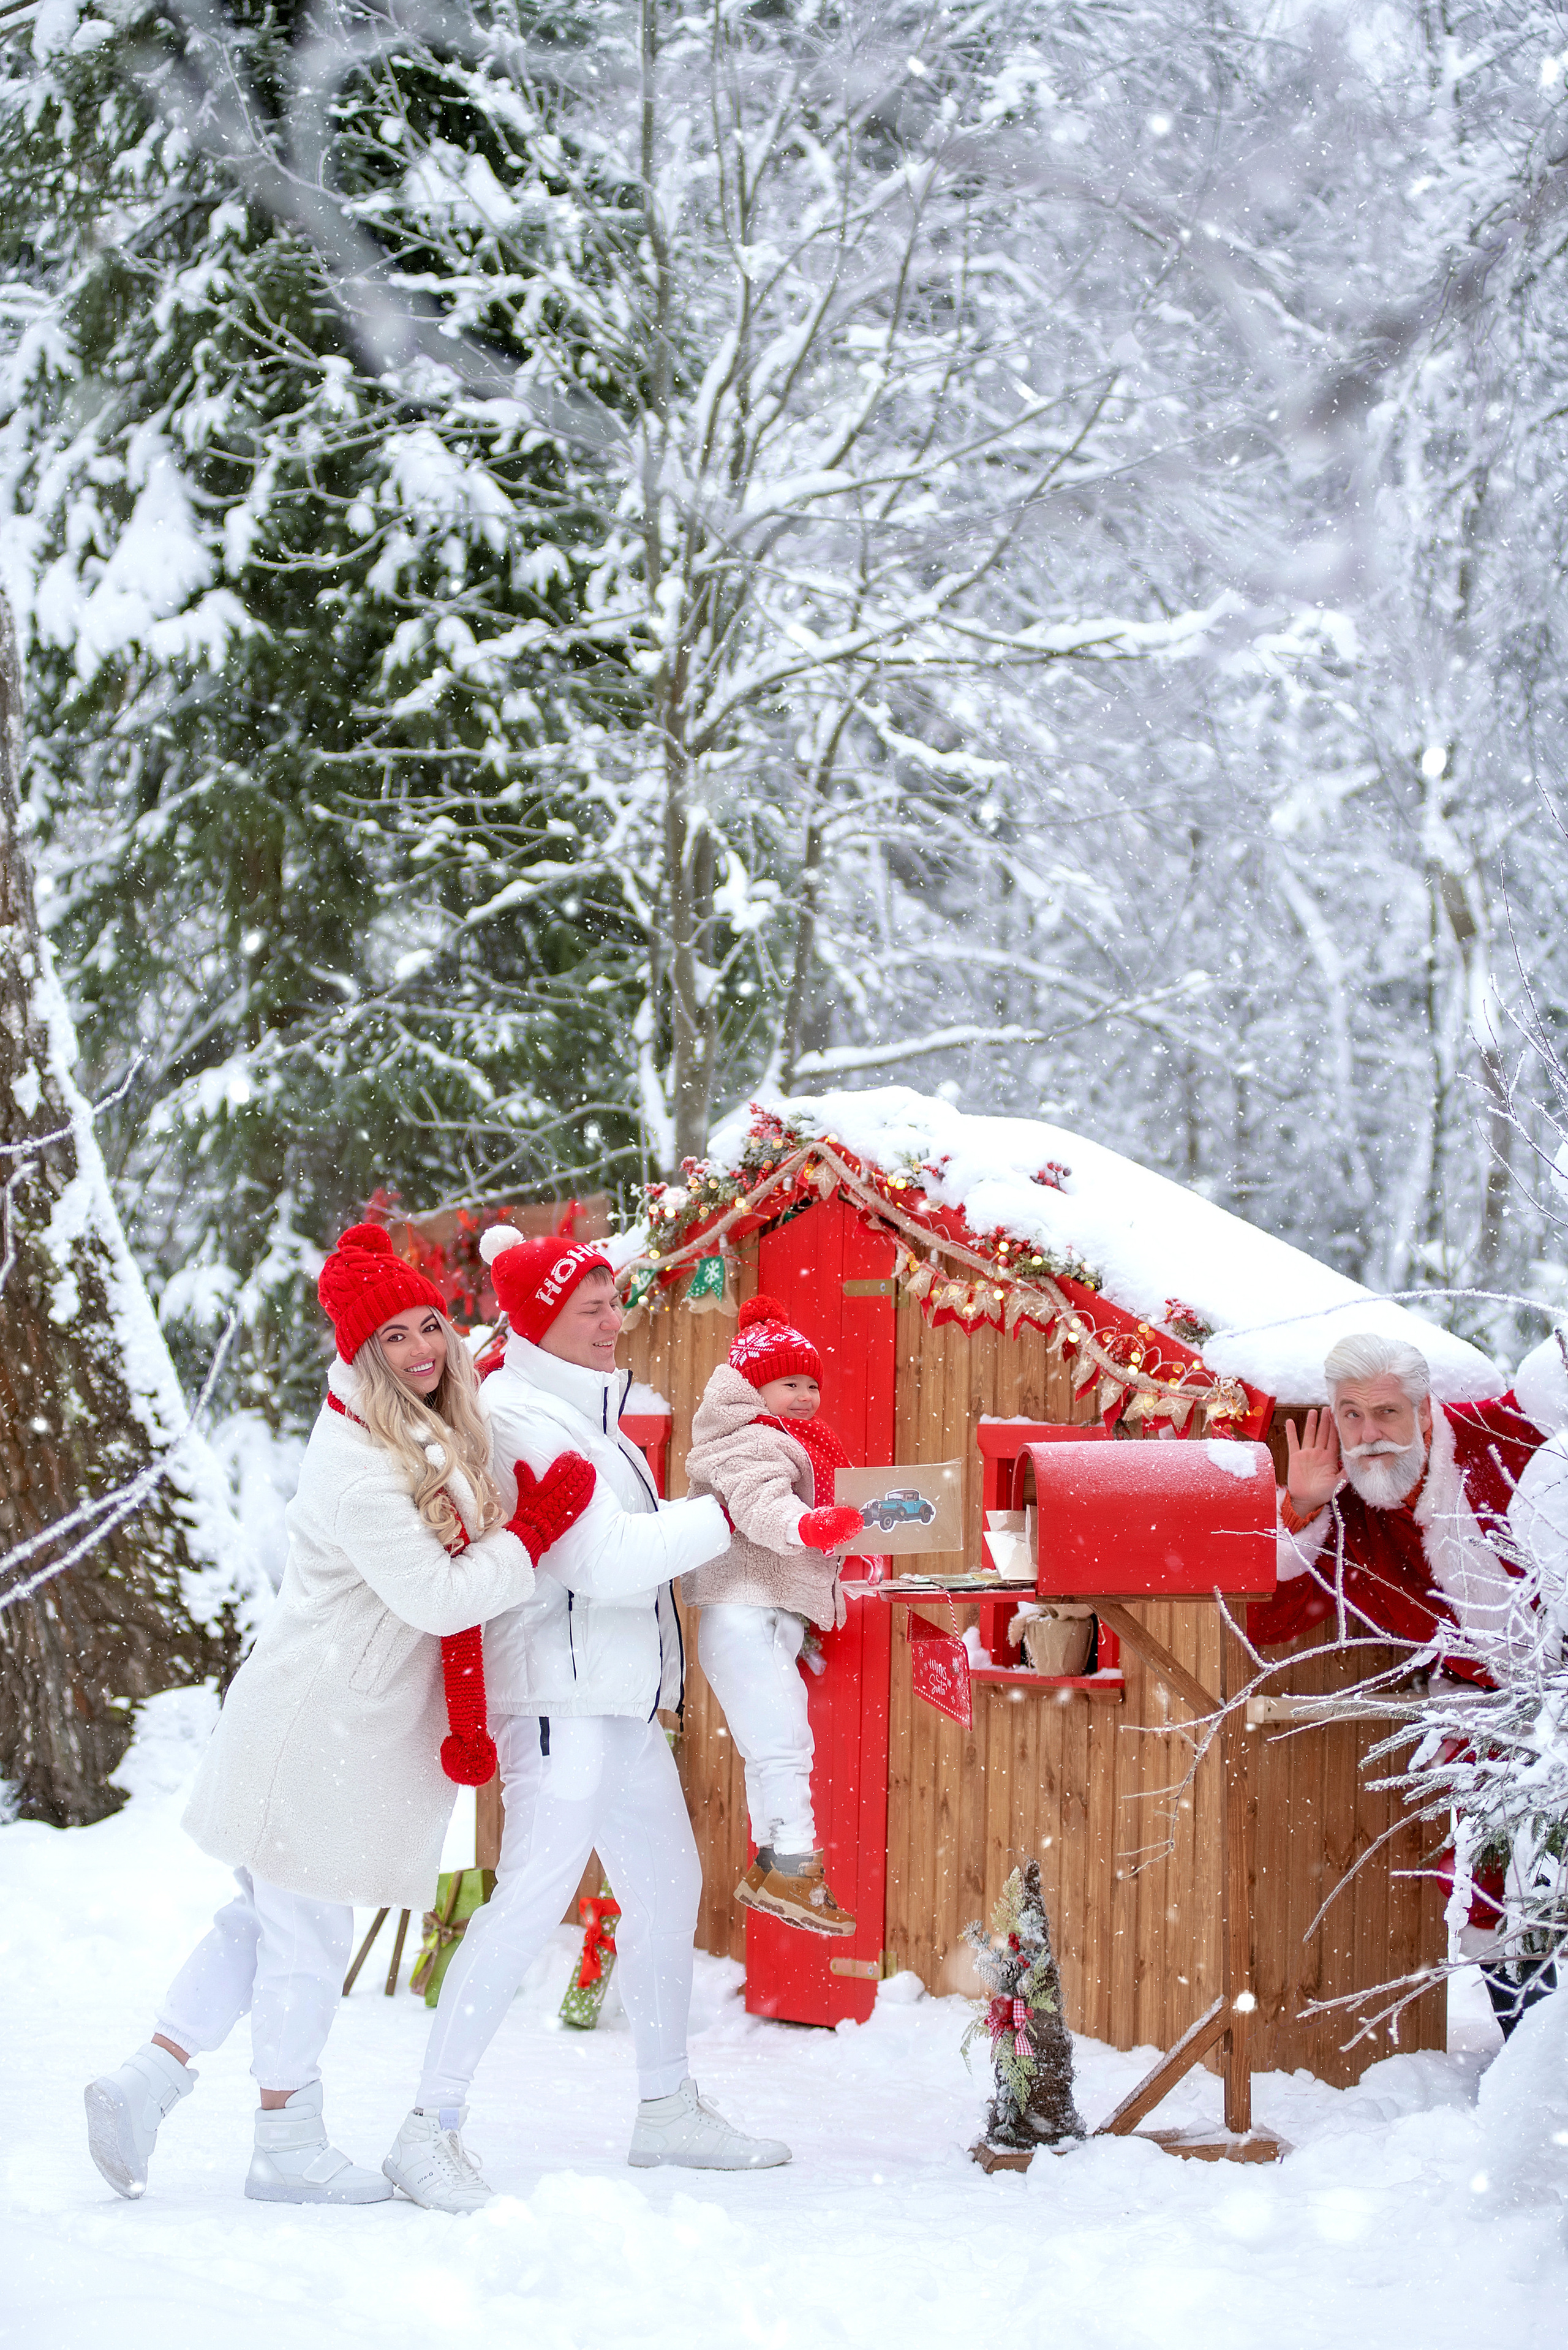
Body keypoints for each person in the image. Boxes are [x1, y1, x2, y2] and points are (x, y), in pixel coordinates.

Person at [83, 1224, 595, 2206]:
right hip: (317, 1730)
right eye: (394, 1337)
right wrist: (532, 1533)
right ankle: (285, 2141)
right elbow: (441, 1597)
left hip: (325, 1725)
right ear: (362, 1354)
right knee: (304, 1938)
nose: (422, 1349)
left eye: (430, 1325)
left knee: (265, 1921)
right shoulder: (360, 1465)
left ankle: (146, 2081)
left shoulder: (409, 1425)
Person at [382, 1225, 791, 2213]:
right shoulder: (523, 1419)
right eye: (591, 1308)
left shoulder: (594, 1420)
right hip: (558, 1700)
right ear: (539, 1321)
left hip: (618, 1699)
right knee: (529, 1903)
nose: (615, 1322)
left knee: (668, 1886)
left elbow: (638, 1545)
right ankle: (426, 2128)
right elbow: (602, 1562)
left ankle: (666, 2107)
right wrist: (732, 1509)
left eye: (615, 1303)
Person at [681, 1294, 865, 1936]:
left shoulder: (783, 1438)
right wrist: (808, 1526)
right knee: (784, 1746)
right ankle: (792, 1872)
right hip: (743, 1612)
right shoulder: (747, 1442)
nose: (807, 1396)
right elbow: (761, 1505)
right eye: (790, 1384)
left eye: (813, 1384)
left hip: (762, 1613)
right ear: (753, 1388)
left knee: (772, 1747)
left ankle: (773, 1867)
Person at [1248, 1329, 1558, 1660]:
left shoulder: (1501, 1430)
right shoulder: (1344, 1517)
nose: (1369, 1434)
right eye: (1353, 1415)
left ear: (1422, 1411)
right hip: (1491, 1692)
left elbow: (1555, 1372)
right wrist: (1301, 1509)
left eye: (1386, 1412)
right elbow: (1266, 1626)